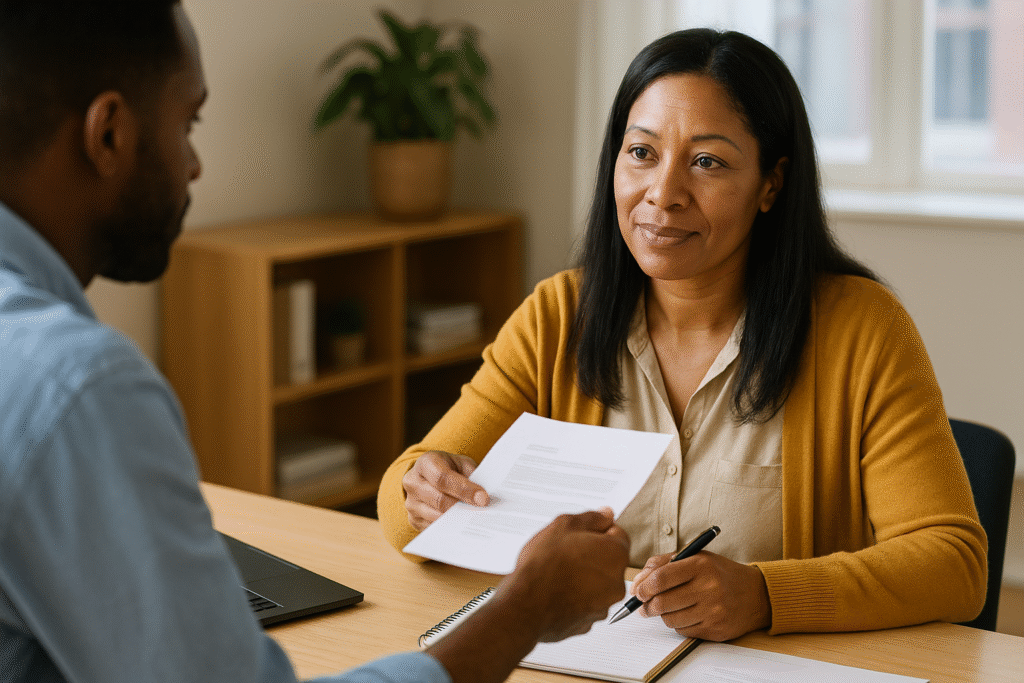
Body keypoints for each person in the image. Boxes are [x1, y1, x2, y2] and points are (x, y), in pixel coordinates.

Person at [0, 3, 632, 682]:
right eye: (188, 124)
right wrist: (524, 610)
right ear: (109, 134)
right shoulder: (77, 388)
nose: (194, 165)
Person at [378, 28, 987, 642]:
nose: (662, 195)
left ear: (771, 184)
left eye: (707, 162)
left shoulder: (862, 329)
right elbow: (405, 497)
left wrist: (766, 596)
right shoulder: (559, 316)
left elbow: (953, 563)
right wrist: (424, 490)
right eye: (641, 153)